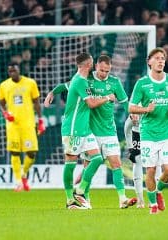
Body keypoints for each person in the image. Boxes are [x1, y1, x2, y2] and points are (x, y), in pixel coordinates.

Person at [45, 55, 137, 209]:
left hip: (107, 130)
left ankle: (122, 198)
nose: (103, 73)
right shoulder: (86, 79)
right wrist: (52, 92)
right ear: (94, 67)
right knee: (82, 164)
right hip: (87, 129)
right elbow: (68, 87)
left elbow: (124, 102)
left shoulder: (114, 82)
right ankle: (80, 198)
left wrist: (132, 112)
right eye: (101, 70)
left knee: (114, 163)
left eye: (107, 71)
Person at [129, 47, 168, 214]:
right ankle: (153, 206)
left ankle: (159, 191)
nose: (161, 61)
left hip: (167, 133)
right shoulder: (142, 83)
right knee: (151, 171)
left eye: (163, 58)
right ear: (149, 62)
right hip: (148, 134)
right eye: (157, 58)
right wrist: (146, 110)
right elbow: (130, 107)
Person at [59, 52, 116, 209]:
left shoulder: (82, 80)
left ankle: (81, 189)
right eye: (92, 62)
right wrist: (107, 98)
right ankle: (70, 199)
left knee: (97, 158)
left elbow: (62, 86)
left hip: (85, 129)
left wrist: (51, 93)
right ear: (88, 65)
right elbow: (91, 103)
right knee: (70, 163)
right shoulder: (79, 82)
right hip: (72, 129)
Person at [0, 63, 45, 192]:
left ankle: (23, 173)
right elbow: (1, 104)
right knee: (15, 152)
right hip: (13, 125)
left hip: (28, 124)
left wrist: (41, 120)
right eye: (10, 71)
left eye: (14, 70)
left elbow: (36, 103)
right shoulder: (4, 85)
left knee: (31, 153)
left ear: (19, 71)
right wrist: (5, 113)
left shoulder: (30, 83)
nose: (12, 73)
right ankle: (18, 181)